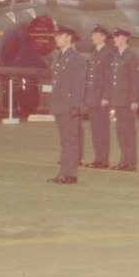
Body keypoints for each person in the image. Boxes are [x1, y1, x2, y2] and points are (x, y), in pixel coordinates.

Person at [48, 24, 86, 184]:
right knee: (64, 140)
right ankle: (63, 172)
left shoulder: (76, 58)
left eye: (60, 35)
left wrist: (75, 105)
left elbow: (78, 84)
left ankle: (70, 174)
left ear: (69, 37)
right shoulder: (59, 56)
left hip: (69, 106)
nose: (56, 38)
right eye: (56, 35)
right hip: (60, 104)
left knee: (70, 140)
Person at [103, 28, 139, 171]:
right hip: (118, 101)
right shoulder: (116, 57)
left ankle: (130, 162)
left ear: (125, 39)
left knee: (129, 132)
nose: (114, 39)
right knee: (120, 132)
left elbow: (136, 81)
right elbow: (112, 80)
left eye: (117, 37)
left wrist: (134, 100)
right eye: (114, 37)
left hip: (127, 101)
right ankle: (123, 160)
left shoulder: (132, 57)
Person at [83, 24, 113, 169]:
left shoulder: (108, 54)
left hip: (101, 98)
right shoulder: (94, 53)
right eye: (93, 35)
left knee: (102, 129)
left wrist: (106, 96)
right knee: (95, 129)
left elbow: (109, 77)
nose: (92, 37)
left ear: (103, 37)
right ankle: (98, 158)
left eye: (95, 35)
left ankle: (103, 159)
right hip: (93, 98)